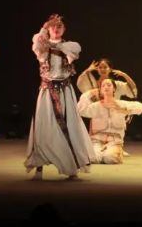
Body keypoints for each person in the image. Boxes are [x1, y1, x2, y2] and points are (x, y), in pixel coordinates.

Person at [24, 14, 94, 180]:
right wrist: (44, 27)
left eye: (59, 26)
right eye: (53, 26)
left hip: (65, 92)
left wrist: (51, 42)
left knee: (69, 126)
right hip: (47, 91)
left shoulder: (71, 46)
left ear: (64, 29)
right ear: (48, 29)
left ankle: (71, 167)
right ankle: (39, 168)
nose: (56, 29)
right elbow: (38, 42)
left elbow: (69, 50)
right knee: (43, 126)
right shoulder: (41, 47)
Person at [77, 78, 142, 164]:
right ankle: (101, 152)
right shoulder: (96, 106)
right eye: (103, 86)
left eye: (109, 85)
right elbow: (81, 110)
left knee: (109, 158)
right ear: (100, 90)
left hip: (114, 141)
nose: (106, 87)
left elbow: (141, 107)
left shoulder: (120, 104)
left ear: (114, 89)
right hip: (97, 141)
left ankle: (113, 152)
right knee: (94, 158)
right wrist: (89, 93)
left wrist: (124, 109)